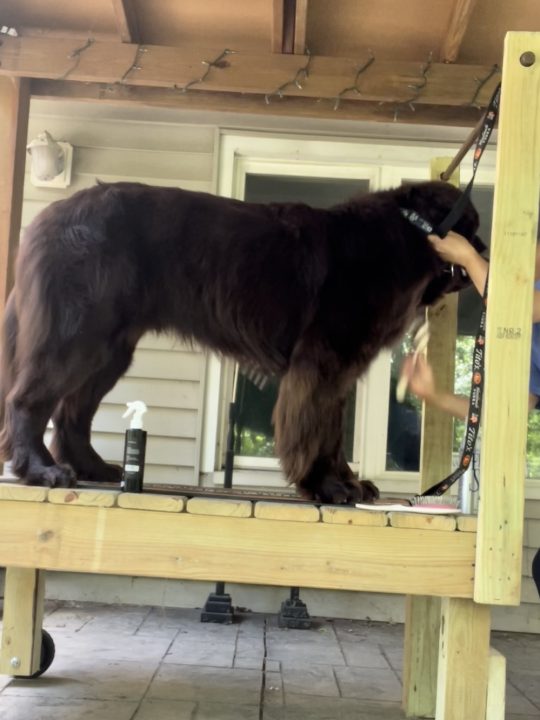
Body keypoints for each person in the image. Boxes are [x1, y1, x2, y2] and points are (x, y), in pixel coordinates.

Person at [400, 229, 540, 597]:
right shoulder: (531, 332)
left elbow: (518, 306)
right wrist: (436, 396)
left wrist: (468, 258)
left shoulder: (526, 306)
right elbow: (510, 410)